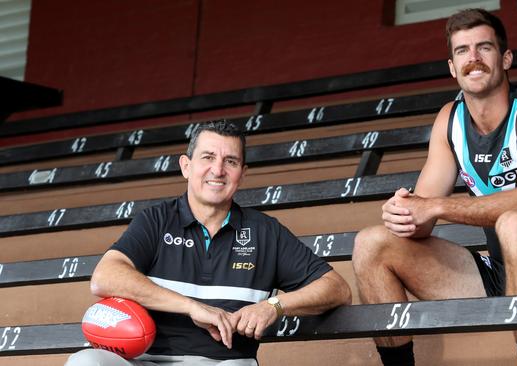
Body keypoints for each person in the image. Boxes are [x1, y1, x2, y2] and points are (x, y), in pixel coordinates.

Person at [352, 8, 517, 366]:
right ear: (452, 67)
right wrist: (403, 211)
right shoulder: (449, 121)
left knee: (515, 222)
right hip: (501, 274)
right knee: (370, 243)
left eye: (484, 48)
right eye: (462, 51)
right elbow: (420, 218)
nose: (473, 58)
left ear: (505, 58)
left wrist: (436, 206)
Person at [66, 120, 351, 366]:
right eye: (207, 157)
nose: (218, 170)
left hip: (223, 362)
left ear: (242, 173)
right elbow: (105, 277)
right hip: (144, 360)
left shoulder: (265, 231)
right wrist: (192, 307)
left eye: (231, 161)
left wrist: (273, 306)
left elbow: (336, 288)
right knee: (85, 361)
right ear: (186, 166)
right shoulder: (156, 220)